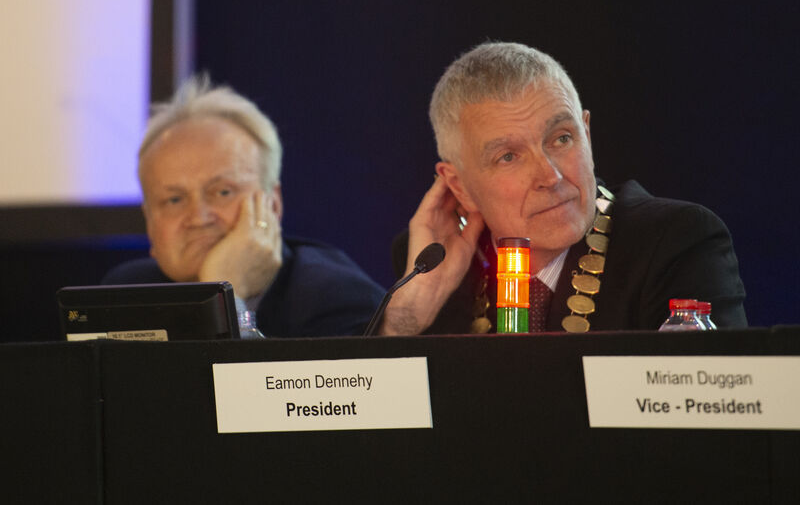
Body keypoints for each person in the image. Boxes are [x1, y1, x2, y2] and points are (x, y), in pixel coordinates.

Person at [379, 42, 747, 335]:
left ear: (586, 135)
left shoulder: (674, 243)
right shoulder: (430, 265)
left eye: (562, 138)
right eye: (509, 156)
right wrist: (405, 319)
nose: (550, 176)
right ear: (459, 186)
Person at [104, 76, 383, 337]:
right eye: (174, 199)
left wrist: (224, 295)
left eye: (222, 192)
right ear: (149, 222)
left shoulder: (338, 300)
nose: (199, 217)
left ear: (272, 205)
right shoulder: (122, 298)